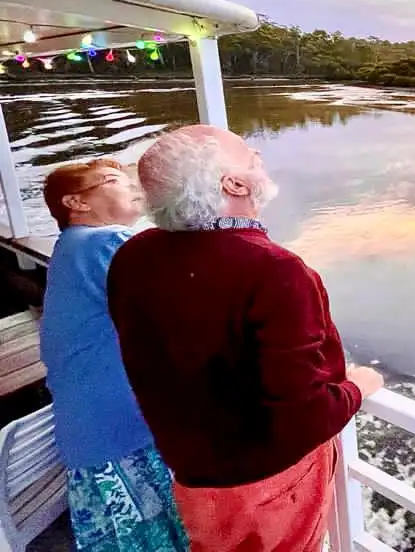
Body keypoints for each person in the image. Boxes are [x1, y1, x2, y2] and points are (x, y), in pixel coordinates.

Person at [107, 125, 383, 552]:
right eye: (245, 152)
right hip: (266, 486)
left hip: (194, 475)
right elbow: (303, 419)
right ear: (233, 184)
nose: (256, 151)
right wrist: (359, 386)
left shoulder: (133, 256)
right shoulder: (274, 271)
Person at [39, 158, 188, 551]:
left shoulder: (73, 250)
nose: (131, 187)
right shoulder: (103, 243)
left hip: (93, 438)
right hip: (121, 437)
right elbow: (183, 302)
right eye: (111, 181)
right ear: (77, 202)